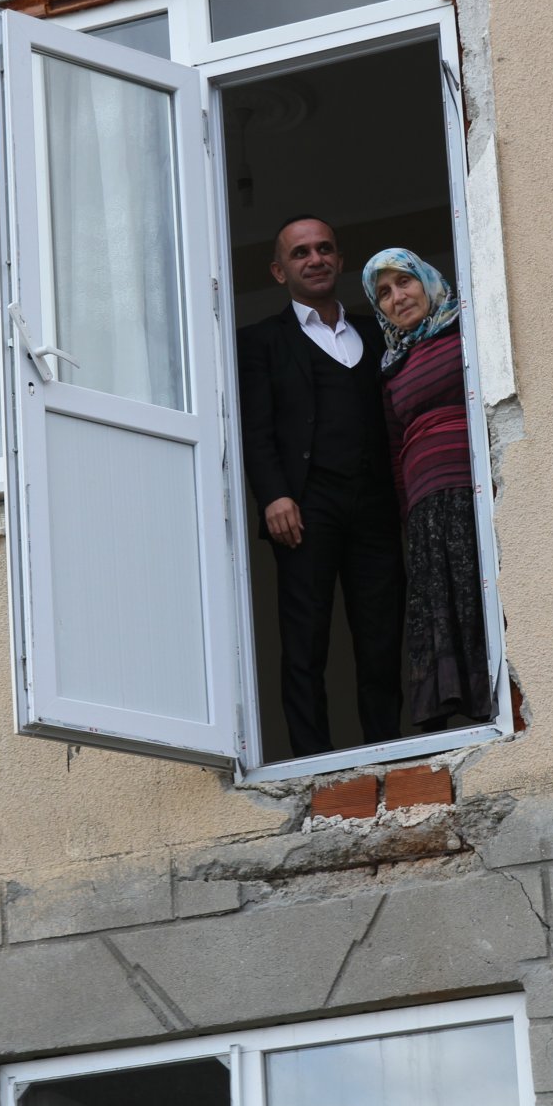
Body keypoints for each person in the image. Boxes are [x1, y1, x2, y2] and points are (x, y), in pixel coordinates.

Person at [238, 216, 405, 759]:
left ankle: (388, 747)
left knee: (382, 635)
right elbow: (255, 428)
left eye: (325, 249)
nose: (315, 259)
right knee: (306, 640)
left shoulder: (376, 329)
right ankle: (313, 758)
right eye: (301, 252)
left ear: (339, 259)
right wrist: (273, 495)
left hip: (377, 505)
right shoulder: (262, 340)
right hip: (306, 507)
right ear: (279, 270)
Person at [363, 248, 492, 732]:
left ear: (427, 281)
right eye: (384, 292)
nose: (398, 298)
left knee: (481, 600)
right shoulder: (392, 364)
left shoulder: (466, 331)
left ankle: (501, 707)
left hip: (472, 490)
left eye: (404, 282)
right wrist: (408, 514)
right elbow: (397, 452)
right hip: (425, 507)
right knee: (440, 607)